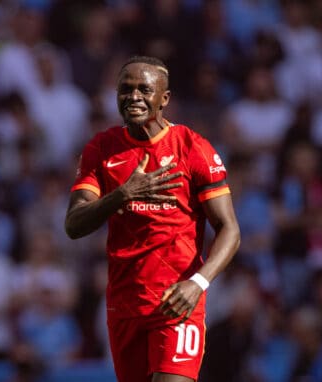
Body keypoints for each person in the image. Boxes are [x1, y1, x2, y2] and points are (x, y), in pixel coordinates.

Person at [65, 56, 240, 382]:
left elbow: (229, 229)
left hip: (178, 303)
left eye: (144, 89)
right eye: (125, 89)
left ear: (164, 98)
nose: (134, 97)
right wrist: (121, 195)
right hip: (125, 305)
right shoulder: (102, 149)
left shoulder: (193, 148)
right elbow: (74, 224)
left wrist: (198, 284)